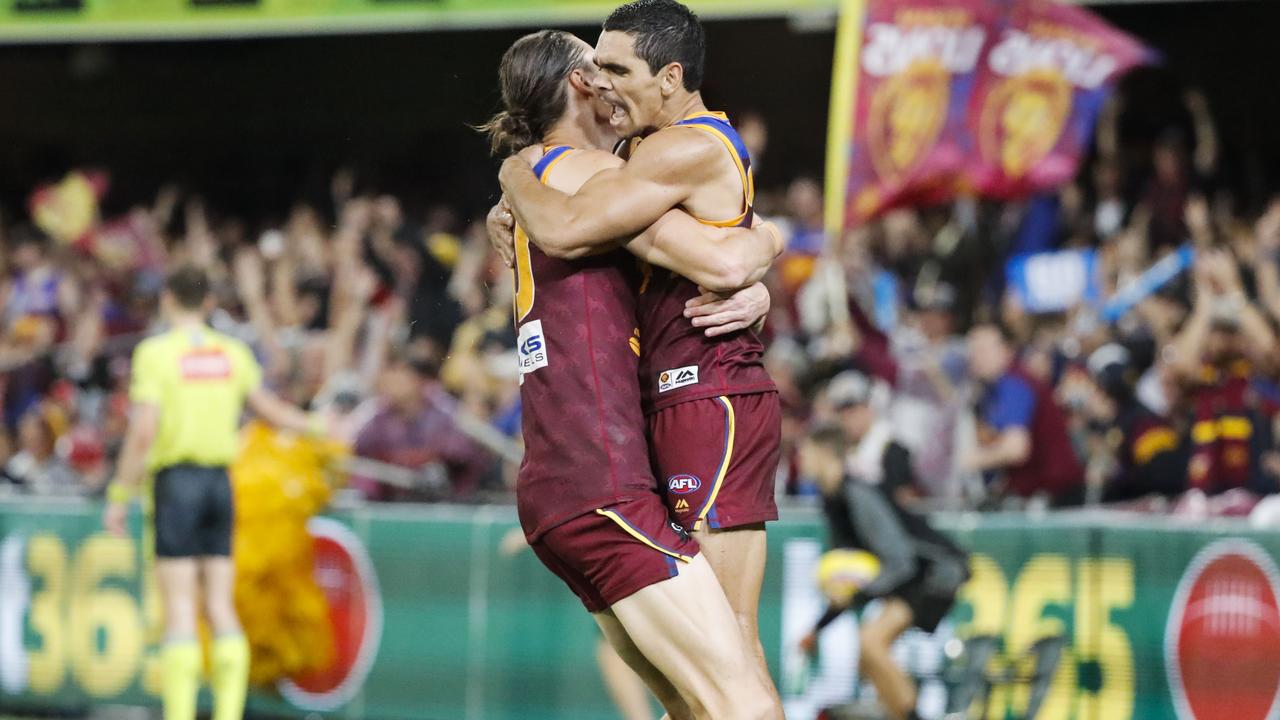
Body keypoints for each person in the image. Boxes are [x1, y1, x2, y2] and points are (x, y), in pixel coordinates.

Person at [480, 30, 778, 719]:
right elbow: (723, 262)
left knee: (693, 705)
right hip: (603, 484)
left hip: (558, 490)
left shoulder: (541, 184)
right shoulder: (586, 178)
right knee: (745, 703)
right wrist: (765, 244)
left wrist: (512, 179)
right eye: (604, 67)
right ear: (582, 85)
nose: (617, 81)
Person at [102, 266, 328, 720]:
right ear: (208, 303)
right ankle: (228, 713)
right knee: (221, 606)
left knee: (182, 608)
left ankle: (181, 714)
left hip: (176, 484)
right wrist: (323, 428)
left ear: (167, 298)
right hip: (219, 484)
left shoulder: (155, 353)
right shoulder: (230, 352)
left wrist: (118, 493)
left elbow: (144, 430)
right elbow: (269, 411)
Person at [796, 420, 969, 720]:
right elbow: (852, 587)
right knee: (868, 653)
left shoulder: (856, 494)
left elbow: (900, 560)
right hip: (914, 574)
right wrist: (818, 627)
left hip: (935, 570)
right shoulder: (834, 499)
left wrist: (861, 594)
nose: (800, 461)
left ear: (825, 454)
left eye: (806, 453)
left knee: (871, 642)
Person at [965, 323, 1084, 506]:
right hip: (1042, 491)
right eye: (973, 351)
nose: (976, 358)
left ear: (1005, 350)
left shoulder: (1014, 385)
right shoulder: (992, 390)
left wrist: (968, 460)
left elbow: (1015, 449)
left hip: (1054, 495)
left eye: (983, 350)